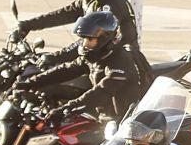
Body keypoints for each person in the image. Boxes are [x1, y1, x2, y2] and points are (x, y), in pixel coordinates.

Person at [21, 10, 149, 123]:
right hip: (105, 118)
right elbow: (68, 70)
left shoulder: (120, 61)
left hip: (123, 123)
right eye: (83, 39)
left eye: (89, 39)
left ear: (105, 38)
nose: (84, 43)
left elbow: (100, 92)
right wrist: (30, 82)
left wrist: (66, 109)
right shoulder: (94, 57)